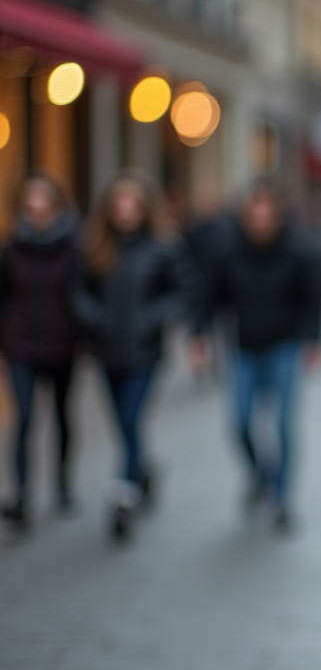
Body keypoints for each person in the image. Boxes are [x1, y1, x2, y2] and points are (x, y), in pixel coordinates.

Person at [189, 182, 321, 532]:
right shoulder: (226, 250)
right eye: (255, 215)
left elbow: (312, 299)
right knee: (240, 422)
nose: (261, 222)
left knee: (282, 423)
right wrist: (198, 335)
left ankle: (282, 498)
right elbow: (209, 295)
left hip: (285, 345)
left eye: (268, 215)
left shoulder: (297, 250)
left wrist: (315, 341)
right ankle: (260, 474)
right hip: (243, 348)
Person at [70, 171, 196, 543]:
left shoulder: (164, 245)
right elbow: (78, 290)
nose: (125, 212)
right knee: (124, 426)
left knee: (130, 419)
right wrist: (95, 318)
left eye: (132, 204)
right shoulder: (94, 245)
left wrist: (154, 318)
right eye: (119, 204)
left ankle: (123, 497)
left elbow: (183, 291)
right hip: (107, 351)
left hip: (145, 351)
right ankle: (145, 470)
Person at [0, 175, 81, 531]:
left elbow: (80, 293)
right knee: (24, 418)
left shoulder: (72, 246)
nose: (35, 205)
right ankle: (21, 494)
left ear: (54, 203)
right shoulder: (12, 247)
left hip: (62, 342)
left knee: (62, 415)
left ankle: (63, 484)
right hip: (20, 343)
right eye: (29, 198)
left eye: (41, 198)